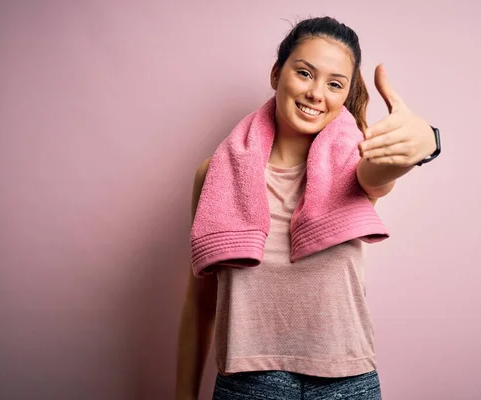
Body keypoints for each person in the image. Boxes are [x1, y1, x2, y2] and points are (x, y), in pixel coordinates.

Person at [176, 16, 440, 400]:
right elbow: (198, 304)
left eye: (335, 84)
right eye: (304, 73)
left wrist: (425, 142)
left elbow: (382, 170)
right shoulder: (214, 174)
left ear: (346, 94)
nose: (317, 93)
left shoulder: (356, 163)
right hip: (247, 384)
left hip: (348, 383)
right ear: (276, 73)